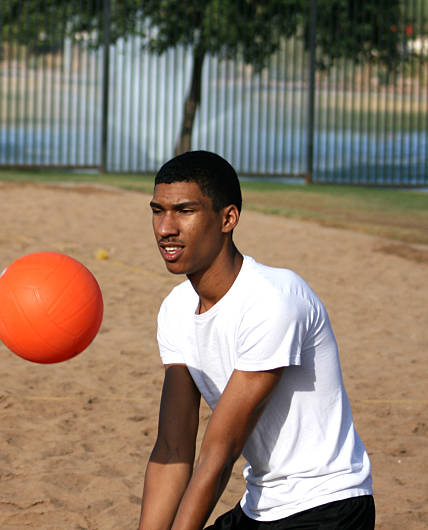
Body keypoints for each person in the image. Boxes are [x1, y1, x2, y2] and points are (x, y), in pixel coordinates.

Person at [138, 151, 374, 530]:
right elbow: (172, 449)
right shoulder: (175, 310)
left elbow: (220, 451)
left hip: (329, 507)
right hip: (261, 506)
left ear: (228, 218)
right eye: (157, 210)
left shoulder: (274, 299)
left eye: (184, 211)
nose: (166, 227)